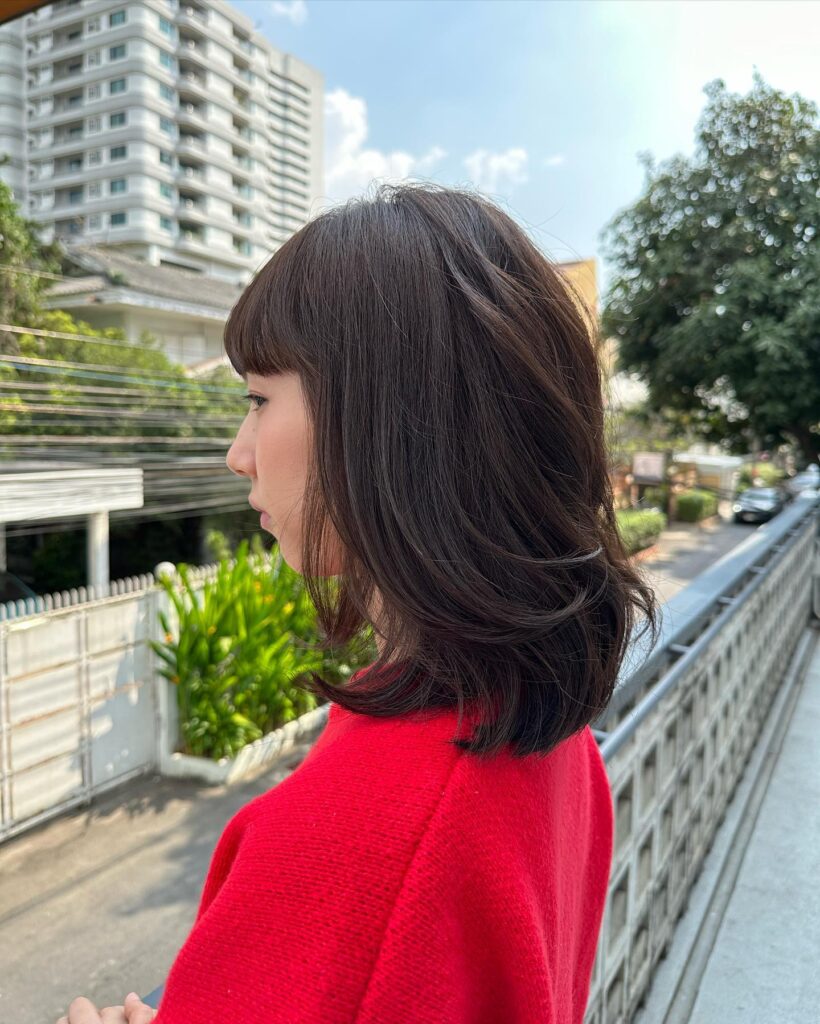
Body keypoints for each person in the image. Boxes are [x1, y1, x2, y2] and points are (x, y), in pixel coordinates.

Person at [56, 182, 658, 1024]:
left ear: (382, 421)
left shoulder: (359, 846)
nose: (238, 454)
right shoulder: (552, 745)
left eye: (259, 399)